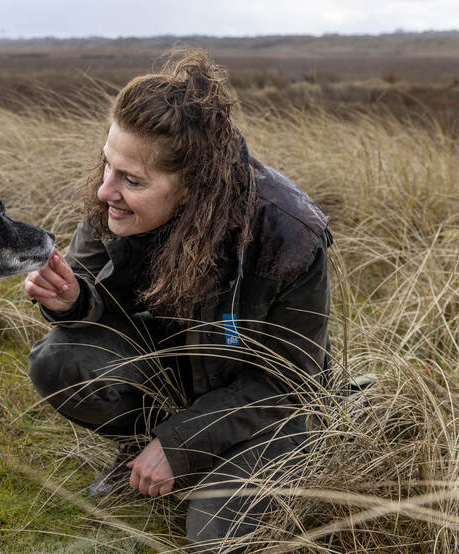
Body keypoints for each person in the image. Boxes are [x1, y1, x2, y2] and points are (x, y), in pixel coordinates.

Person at [24, 48, 331, 551]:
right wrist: (73, 300)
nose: (105, 192)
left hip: (266, 407)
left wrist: (179, 442)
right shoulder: (117, 202)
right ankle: (151, 453)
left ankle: (181, 461)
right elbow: (96, 294)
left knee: (213, 536)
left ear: (192, 188)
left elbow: (287, 382)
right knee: (59, 362)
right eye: (107, 165)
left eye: (131, 180)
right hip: (179, 373)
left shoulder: (290, 236)